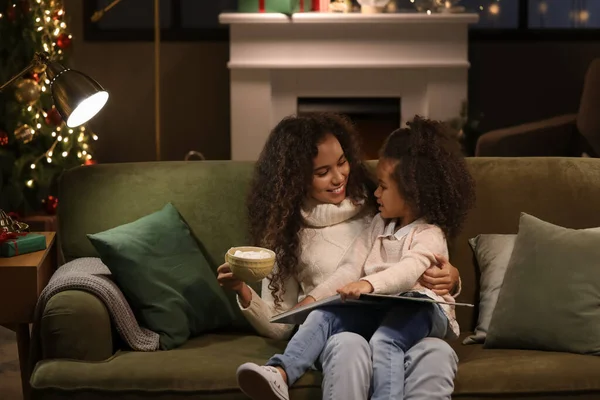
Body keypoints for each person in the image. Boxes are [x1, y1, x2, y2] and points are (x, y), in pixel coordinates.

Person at [217, 113, 462, 400]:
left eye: (343, 162)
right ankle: (279, 373)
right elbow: (343, 274)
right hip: (349, 328)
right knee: (339, 335)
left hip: (401, 316)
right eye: (322, 172)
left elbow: (415, 262)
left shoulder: (378, 205)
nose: (339, 177)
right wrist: (249, 292)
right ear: (297, 179)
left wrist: (452, 278)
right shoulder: (287, 234)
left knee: (436, 352)